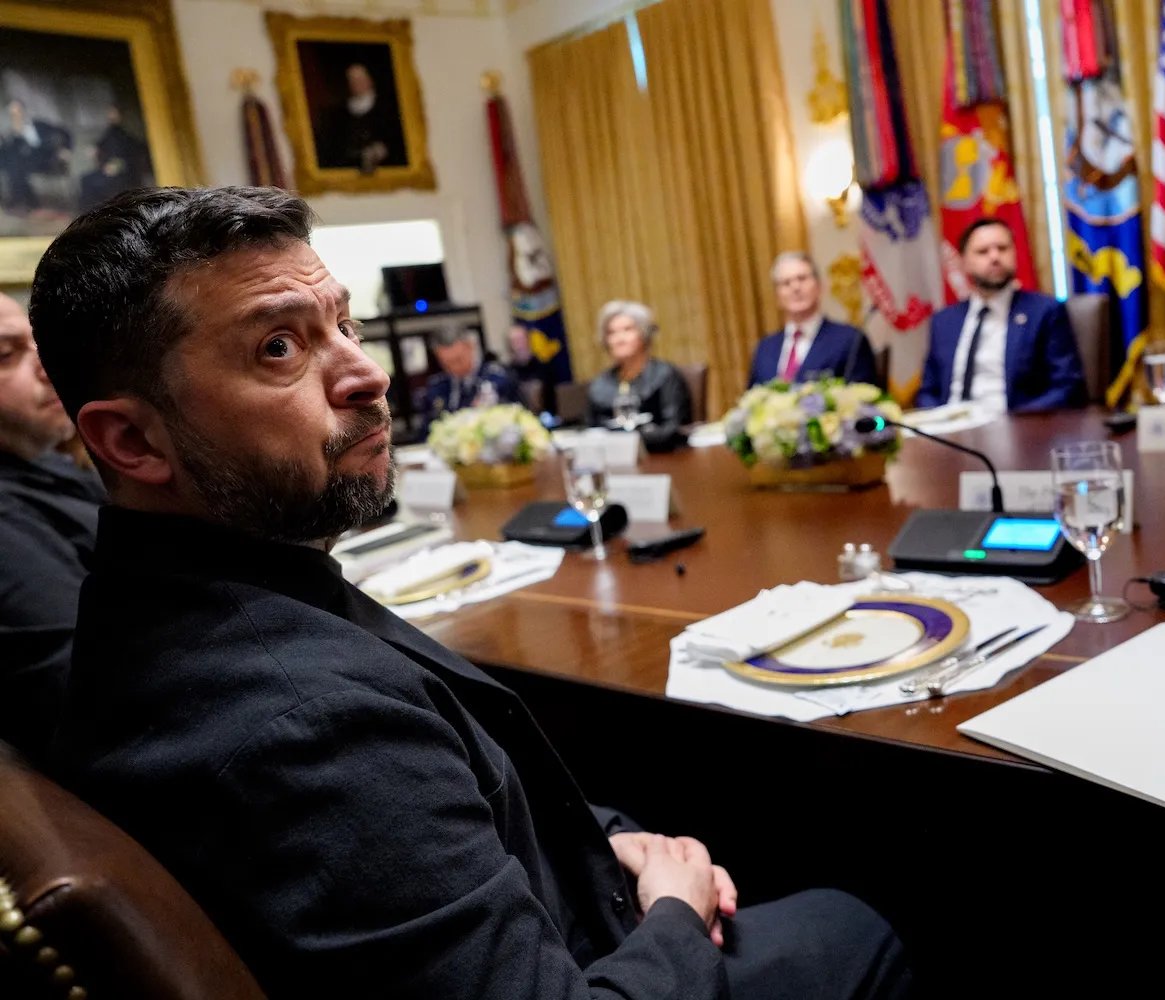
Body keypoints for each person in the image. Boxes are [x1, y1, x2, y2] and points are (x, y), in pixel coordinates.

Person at [32, 186, 911, 1000]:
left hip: (558, 899)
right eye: (279, 347)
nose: (366, 374)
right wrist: (675, 910)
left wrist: (596, 847)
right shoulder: (300, 729)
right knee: (860, 921)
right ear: (134, 441)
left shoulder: (157, 601)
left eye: (346, 324)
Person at [0, 292, 106, 762]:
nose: (48, 367)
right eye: (7, 355)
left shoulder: (44, 462)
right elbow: (91, 693)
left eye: (37, 344)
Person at [915, 218, 1087, 411]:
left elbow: (1068, 387)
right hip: (950, 428)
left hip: (1015, 427)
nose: (995, 257)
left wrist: (1012, 421)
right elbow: (928, 391)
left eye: (1003, 248)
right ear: (964, 262)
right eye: (983, 251)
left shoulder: (1044, 311)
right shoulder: (944, 321)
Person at [747, 252, 878, 388]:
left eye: (802, 279)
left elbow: (865, 401)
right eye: (786, 283)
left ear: (819, 286)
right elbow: (750, 402)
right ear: (777, 296)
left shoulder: (850, 340)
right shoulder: (765, 349)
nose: (795, 287)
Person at [585, 300, 693, 452]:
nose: (619, 339)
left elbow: (674, 428)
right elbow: (591, 432)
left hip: (664, 458)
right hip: (614, 462)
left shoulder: (665, 375)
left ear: (643, 333)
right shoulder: (599, 384)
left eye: (627, 330)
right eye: (611, 333)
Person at [422, 324, 521, 429]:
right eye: (446, 364)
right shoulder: (436, 387)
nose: (453, 368)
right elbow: (427, 429)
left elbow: (517, 417)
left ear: (470, 346)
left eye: (458, 360)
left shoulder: (498, 377)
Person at [316, 63, 407, 173]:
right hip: (350, 169)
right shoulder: (339, 113)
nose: (356, 84)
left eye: (360, 79)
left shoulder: (387, 107)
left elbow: (397, 141)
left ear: (370, 80)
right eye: (352, 80)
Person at [0, 98, 73, 213]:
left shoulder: (39, 125)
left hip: (46, 160)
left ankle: (22, 202)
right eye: (12, 114)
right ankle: (28, 203)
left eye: (17, 112)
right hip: (25, 164)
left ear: (23, 112)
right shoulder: (10, 133)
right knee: (14, 163)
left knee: (16, 166)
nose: (15, 116)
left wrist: (66, 149)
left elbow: (65, 131)